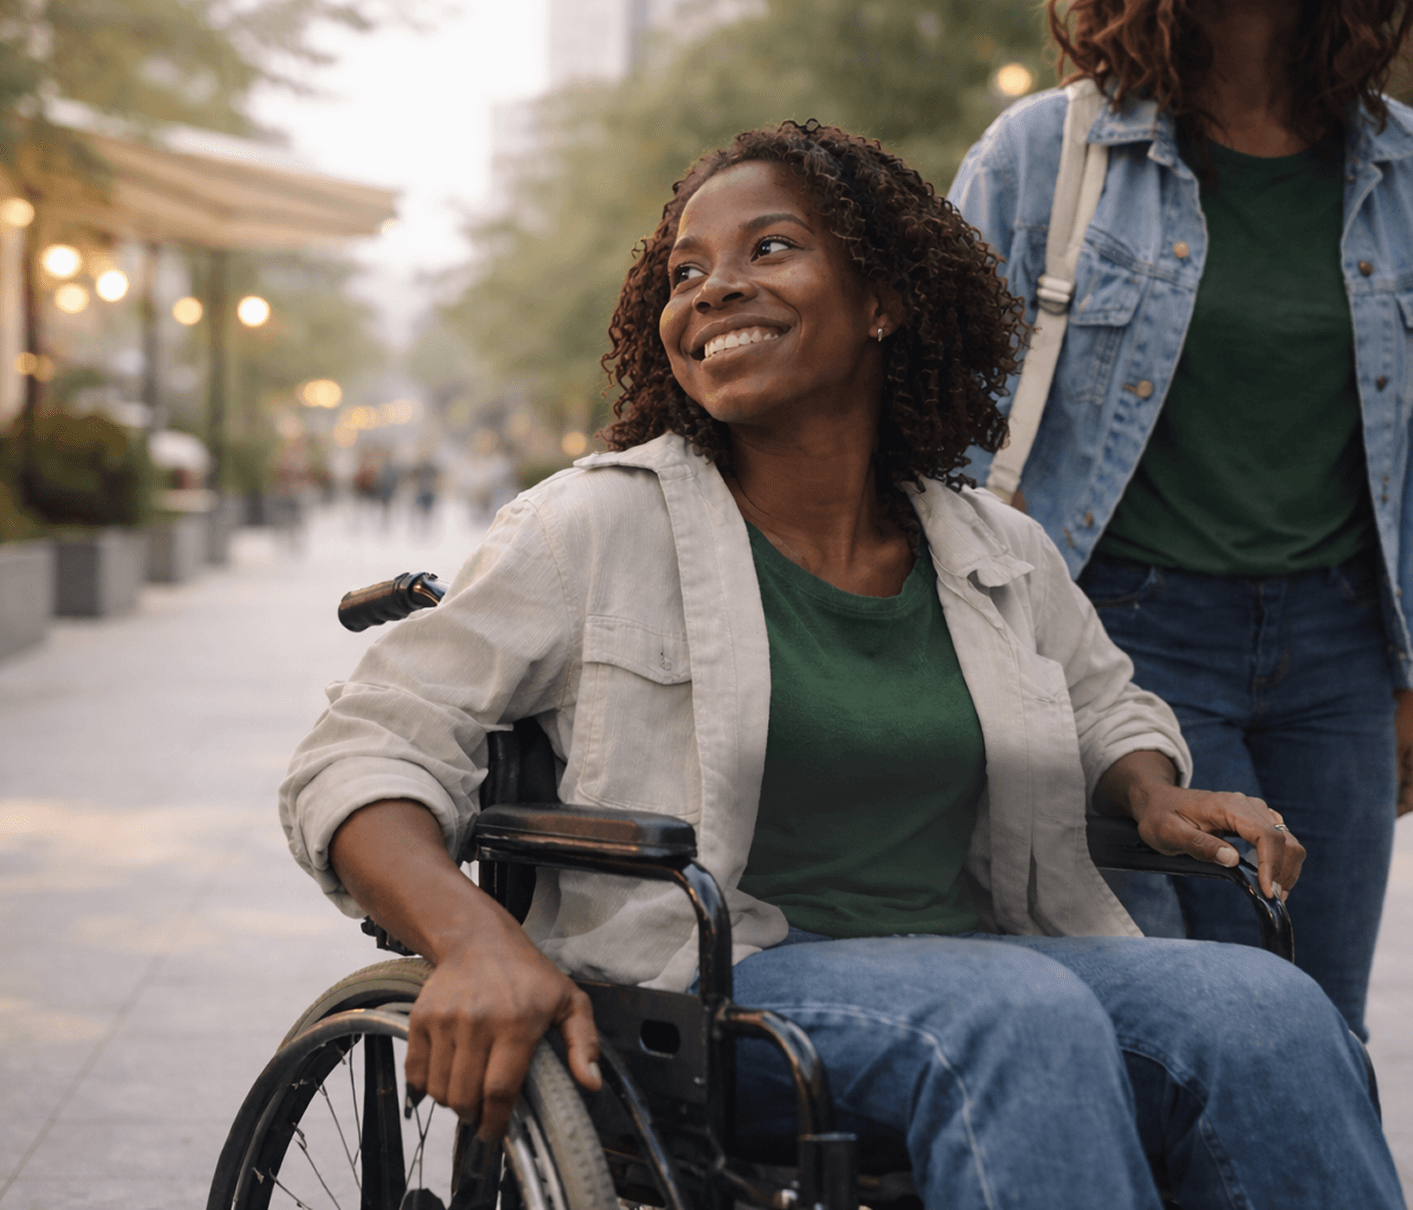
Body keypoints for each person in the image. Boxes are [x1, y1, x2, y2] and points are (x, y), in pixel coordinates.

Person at [281, 123, 1402, 1208]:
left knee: (1267, 1006)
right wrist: (472, 941)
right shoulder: (592, 527)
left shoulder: (993, 546)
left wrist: (1149, 789)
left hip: (987, 958)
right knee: (1016, 1015)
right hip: (709, 988)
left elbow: (1104, 702)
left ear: (884, 301)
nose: (714, 288)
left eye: (770, 247)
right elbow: (363, 751)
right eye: (684, 272)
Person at [948, 0, 1413, 1042]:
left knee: (1322, 1026)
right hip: (1124, 639)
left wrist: (1408, 668)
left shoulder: (1399, 169)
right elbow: (940, 426)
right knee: (1176, 1019)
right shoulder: (1048, 153)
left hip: (1339, 654)